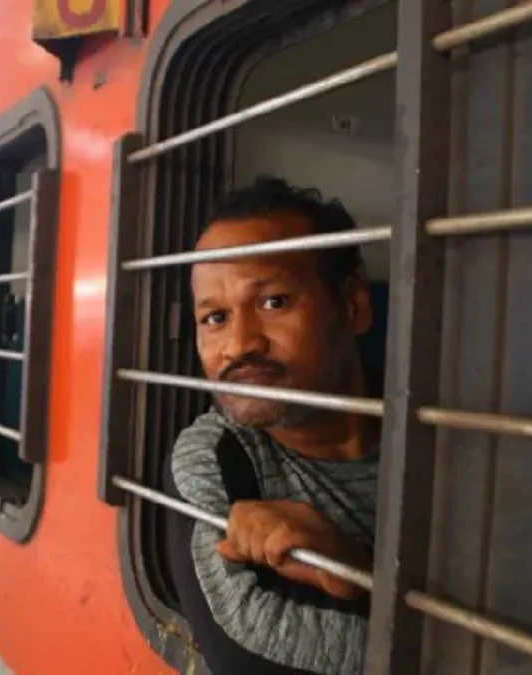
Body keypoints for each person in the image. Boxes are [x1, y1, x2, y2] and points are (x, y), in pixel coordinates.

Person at [165, 177, 379, 675]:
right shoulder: (219, 459)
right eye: (215, 318)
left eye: (274, 302)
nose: (239, 345)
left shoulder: (447, 435)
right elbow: (254, 659)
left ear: (352, 306)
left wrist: (359, 573)